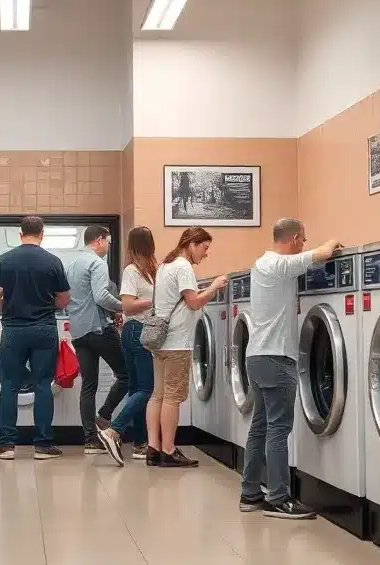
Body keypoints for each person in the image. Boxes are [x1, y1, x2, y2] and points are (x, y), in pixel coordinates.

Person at [240, 219, 342, 518]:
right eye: (303, 239)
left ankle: (250, 493)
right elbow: (321, 254)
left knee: (260, 427)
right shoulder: (279, 265)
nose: (304, 244)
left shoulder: (261, 265)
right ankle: (279, 498)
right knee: (278, 429)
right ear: (295, 238)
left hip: (256, 357)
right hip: (275, 359)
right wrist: (334, 240)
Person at [133, 228, 227, 468]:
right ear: (192, 244)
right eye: (204, 248)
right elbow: (194, 302)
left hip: (159, 341)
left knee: (158, 395)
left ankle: (153, 448)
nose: (205, 254)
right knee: (173, 398)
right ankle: (169, 450)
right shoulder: (183, 266)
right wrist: (214, 286)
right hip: (176, 342)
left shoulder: (165, 265)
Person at [0, 215, 71, 461]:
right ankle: (44, 446)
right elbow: (65, 298)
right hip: (44, 328)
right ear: (42, 234)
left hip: (13, 329)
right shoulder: (52, 261)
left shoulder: (5, 260)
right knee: (43, 385)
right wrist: (47, 308)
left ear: (20, 234)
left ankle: (6, 446)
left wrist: (9, 309)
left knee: (9, 385)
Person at [92, 227, 156, 465]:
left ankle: (140, 443)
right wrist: (157, 299)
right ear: (148, 244)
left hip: (139, 331)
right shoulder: (132, 271)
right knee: (147, 389)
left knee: (137, 388)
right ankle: (113, 430)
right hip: (137, 330)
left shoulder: (149, 271)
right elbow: (128, 306)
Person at [66, 225, 129, 454]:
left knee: (88, 385)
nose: (109, 246)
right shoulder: (97, 263)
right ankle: (104, 416)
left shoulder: (72, 265)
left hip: (79, 333)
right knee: (127, 375)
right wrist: (123, 307)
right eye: (109, 241)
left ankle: (90, 439)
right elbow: (102, 296)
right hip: (99, 329)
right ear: (100, 240)